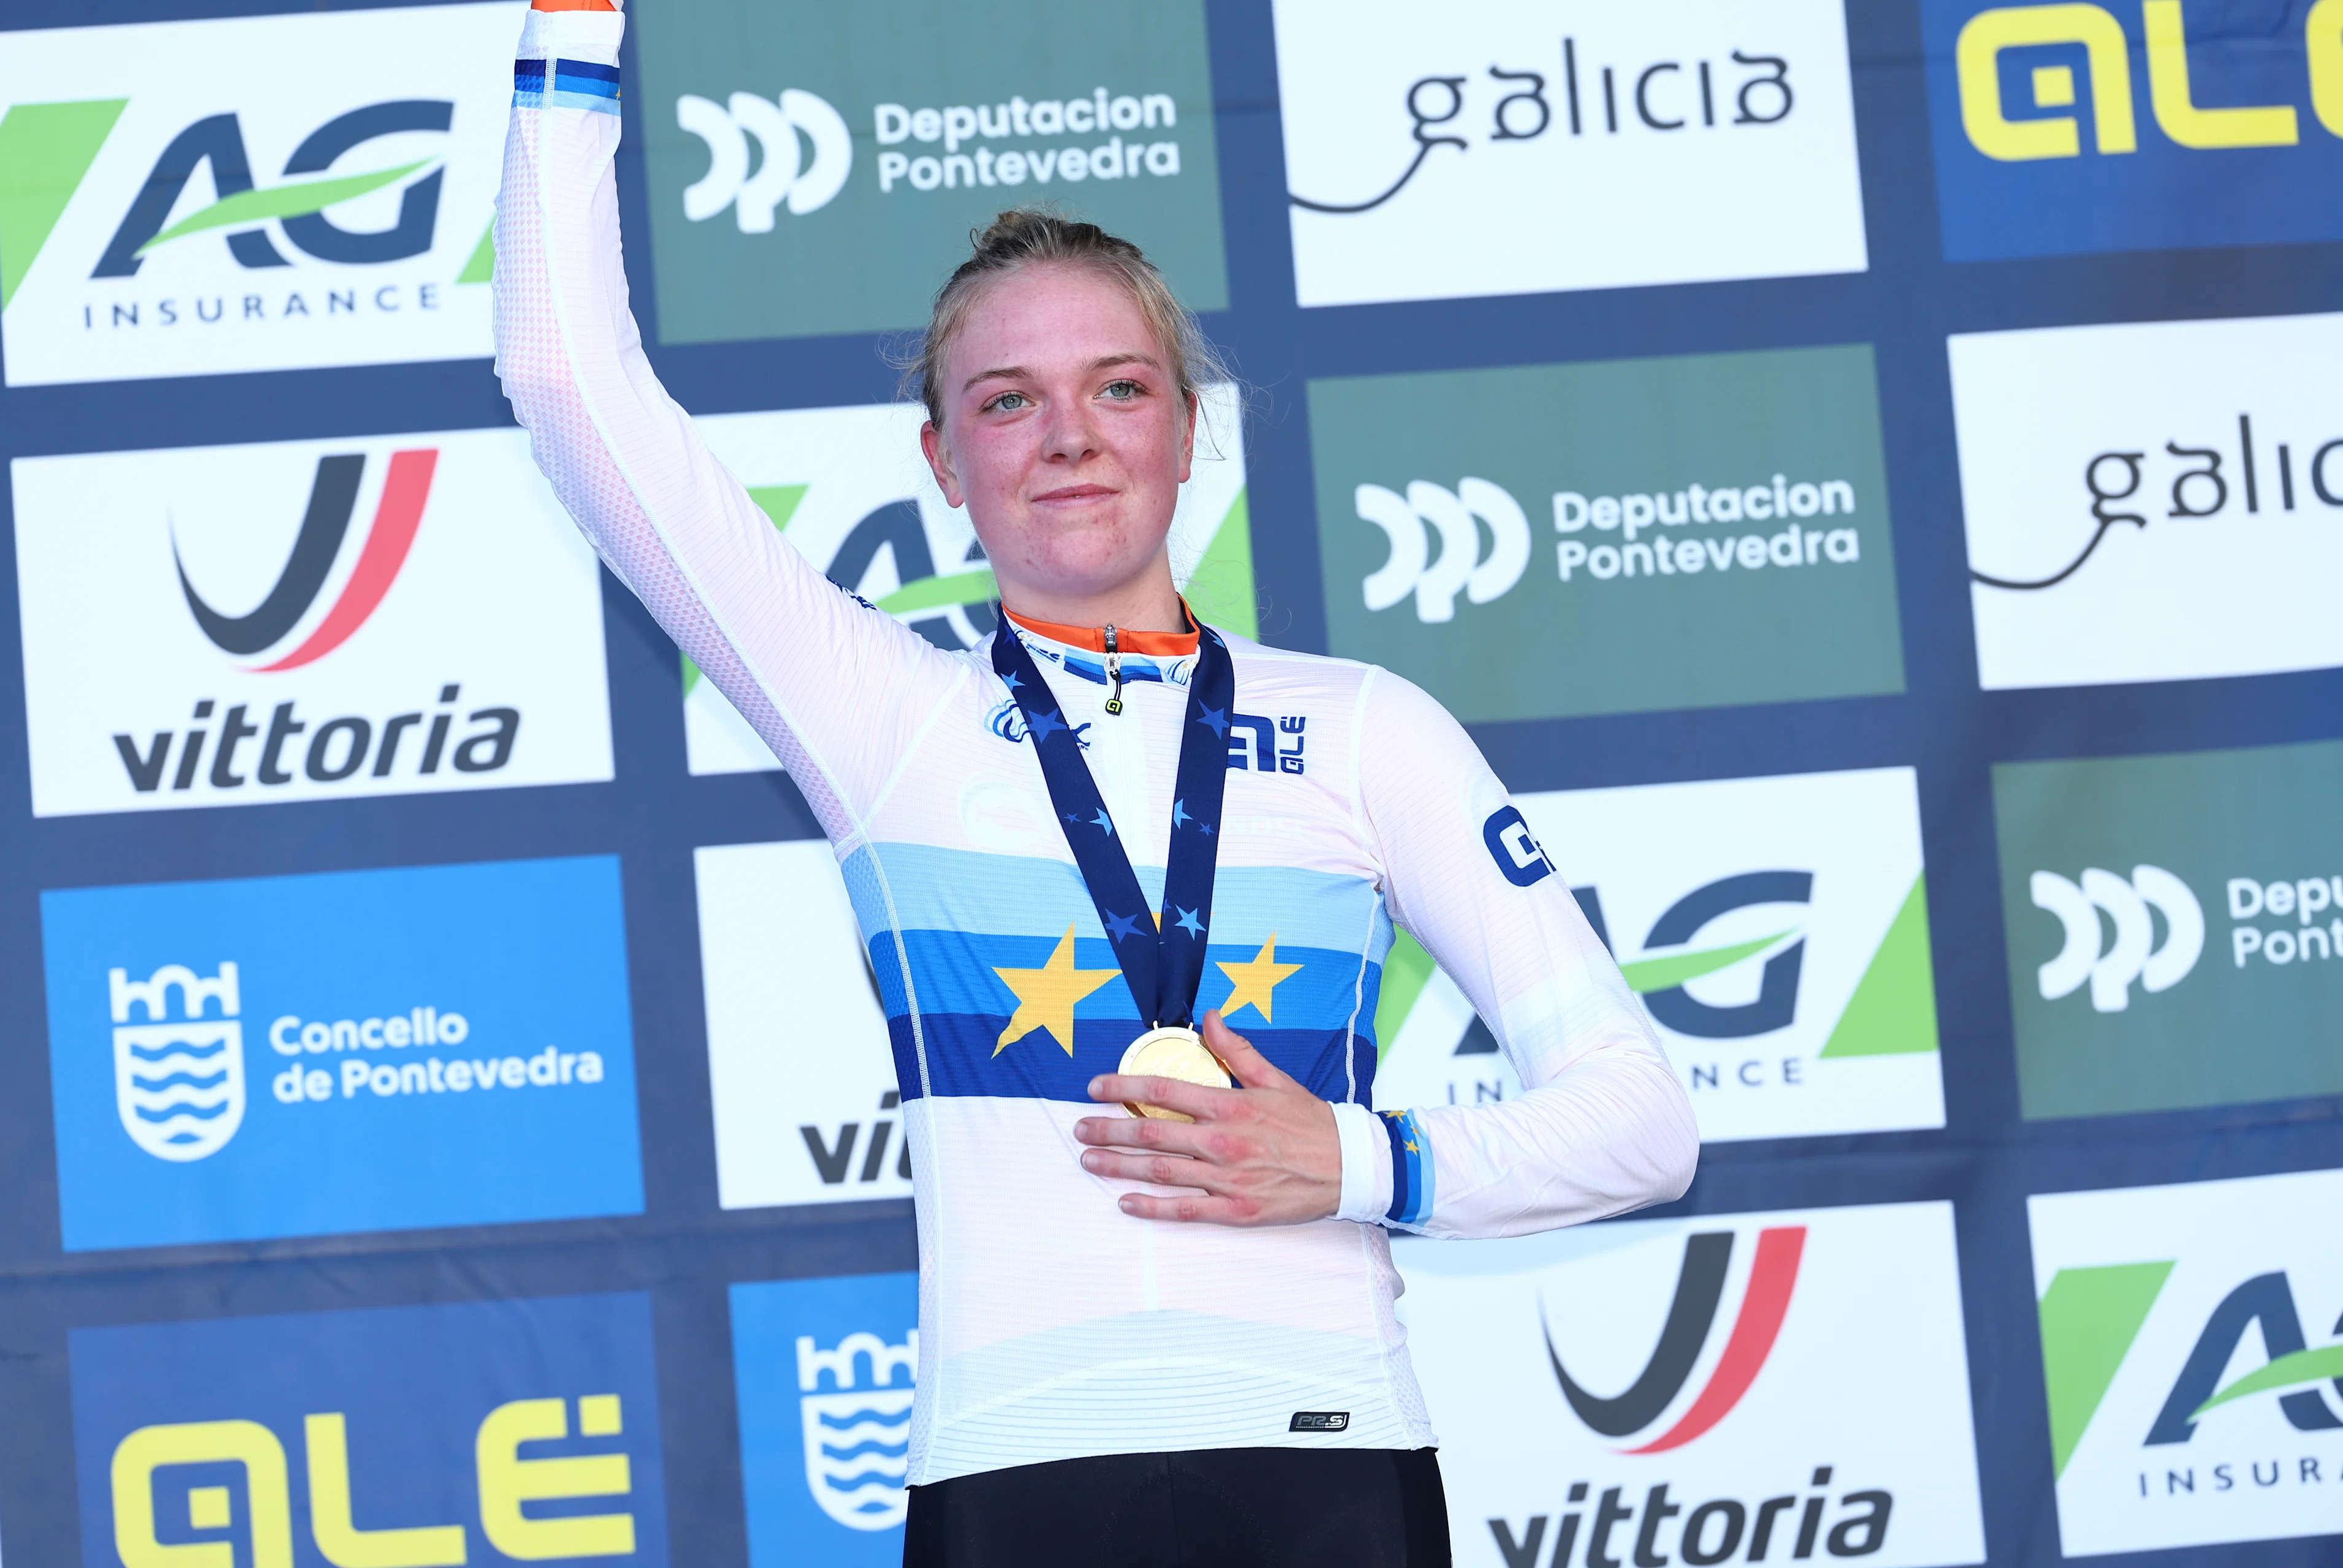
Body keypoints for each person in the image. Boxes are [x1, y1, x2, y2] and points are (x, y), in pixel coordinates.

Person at [497, 4, 1697, 1562]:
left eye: (1120, 387)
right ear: (942, 458)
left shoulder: (1363, 726)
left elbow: (1642, 1120)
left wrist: (1353, 1157)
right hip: (1015, 1471)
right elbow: (565, 376)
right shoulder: (884, 715)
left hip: (1327, 1457)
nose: (1070, 436)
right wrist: (573, 29)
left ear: (1191, 430)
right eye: (1007, 399)